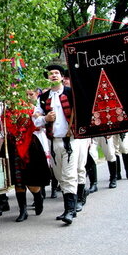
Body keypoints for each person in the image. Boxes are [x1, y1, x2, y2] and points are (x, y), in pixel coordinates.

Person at [35, 64, 88, 224]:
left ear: (62, 76)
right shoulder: (43, 98)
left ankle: (69, 211)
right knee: (59, 176)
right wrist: (45, 119)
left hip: (71, 141)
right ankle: (72, 204)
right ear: (47, 78)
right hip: (54, 142)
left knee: (69, 175)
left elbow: (84, 112)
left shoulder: (71, 93)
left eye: (56, 73)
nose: (53, 75)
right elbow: (36, 120)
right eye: (50, 74)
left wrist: (75, 127)